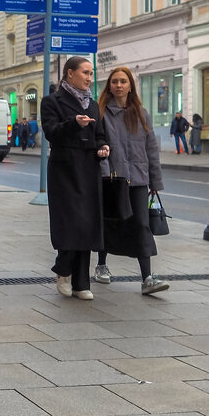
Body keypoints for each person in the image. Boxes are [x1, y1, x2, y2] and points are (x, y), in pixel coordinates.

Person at [93, 67, 170, 295]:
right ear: (109, 86)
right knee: (109, 222)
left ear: (130, 86)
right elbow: (98, 145)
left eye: (123, 81)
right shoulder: (101, 113)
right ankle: (101, 265)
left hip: (137, 179)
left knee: (141, 225)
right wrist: (104, 173)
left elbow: (151, 149)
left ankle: (147, 278)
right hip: (112, 178)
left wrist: (155, 182)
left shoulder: (141, 113)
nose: (119, 85)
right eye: (115, 81)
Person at [41, 56, 109, 300]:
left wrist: (103, 147)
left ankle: (82, 282)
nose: (90, 78)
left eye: (91, 74)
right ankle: (63, 270)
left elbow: (100, 135)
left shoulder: (93, 105)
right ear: (70, 73)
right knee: (70, 222)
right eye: (85, 73)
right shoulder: (52, 101)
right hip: (65, 169)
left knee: (87, 224)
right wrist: (73, 123)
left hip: (89, 168)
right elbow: (51, 132)